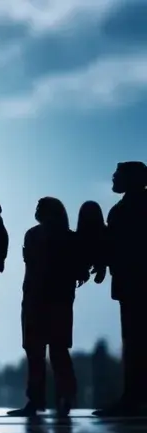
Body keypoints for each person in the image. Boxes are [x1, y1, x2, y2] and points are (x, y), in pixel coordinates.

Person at [9, 197, 80, 417]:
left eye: (41, 207)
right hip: (43, 300)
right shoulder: (62, 238)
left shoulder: (40, 236)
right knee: (44, 353)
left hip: (47, 300)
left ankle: (52, 399)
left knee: (48, 352)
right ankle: (52, 398)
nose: (37, 210)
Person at [95, 161, 147, 417]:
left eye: (117, 175)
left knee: (135, 341)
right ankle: (134, 396)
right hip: (130, 281)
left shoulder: (127, 209)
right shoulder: (124, 208)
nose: (113, 179)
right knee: (134, 341)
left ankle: (133, 397)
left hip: (135, 281)